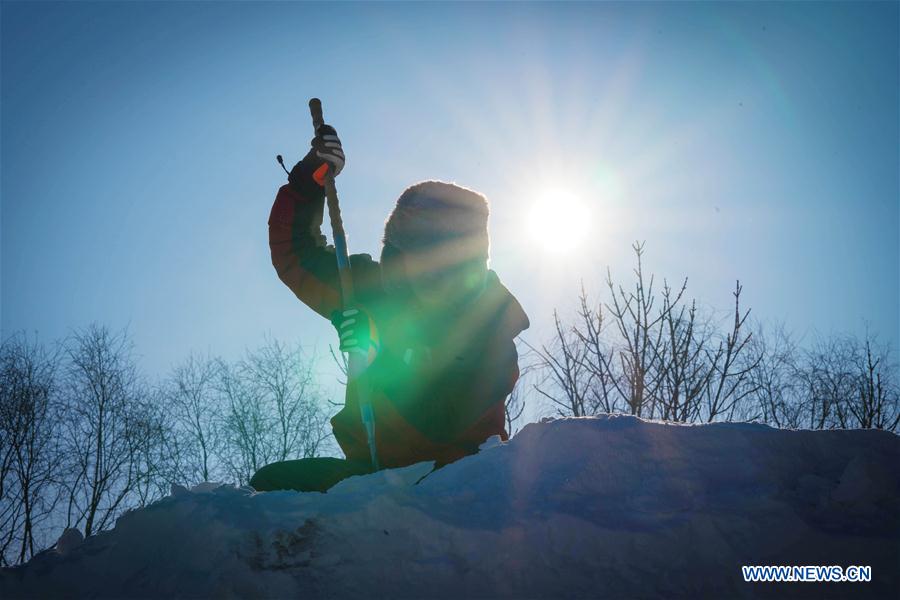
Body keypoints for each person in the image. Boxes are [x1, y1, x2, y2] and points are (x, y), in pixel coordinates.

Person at [250, 123, 530, 493]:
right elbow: (297, 254)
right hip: (374, 474)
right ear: (400, 255)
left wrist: (378, 353)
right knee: (272, 485)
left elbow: (443, 421)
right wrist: (309, 179)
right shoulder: (368, 290)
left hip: (461, 480)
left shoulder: (491, 323)